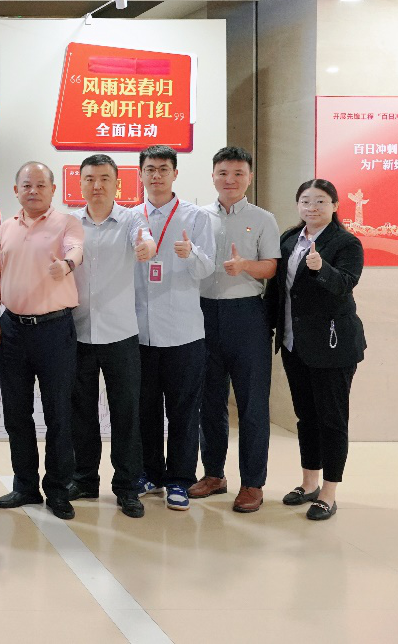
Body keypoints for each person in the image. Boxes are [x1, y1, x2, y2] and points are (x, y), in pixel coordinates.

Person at [0, 162, 84, 520]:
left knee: (59, 413)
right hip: (12, 329)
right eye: (27, 185)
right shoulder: (5, 229)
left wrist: (66, 265)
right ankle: (25, 485)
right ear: (16, 190)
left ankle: (58, 489)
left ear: (53, 189)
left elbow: (76, 250)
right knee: (16, 413)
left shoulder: (67, 224)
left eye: (41, 185)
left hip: (54, 330)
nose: (33, 191)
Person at [267, 179, 366, 522]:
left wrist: (321, 268)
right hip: (294, 343)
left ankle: (328, 493)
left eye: (321, 201)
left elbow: (345, 284)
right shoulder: (289, 239)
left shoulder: (346, 242)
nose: (312, 207)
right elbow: (278, 291)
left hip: (332, 346)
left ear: (335, 205)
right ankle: (308, 483)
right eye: (306, 201)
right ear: (298, 205)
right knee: (306, 417)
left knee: (332, 420)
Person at [191, 147, 281, 513]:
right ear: (213, 176)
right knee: (209, 402)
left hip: (247, 316)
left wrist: (245, 265)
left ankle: (252, 483)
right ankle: (214, 474)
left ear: (249, 178)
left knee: (252, 404)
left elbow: (271, 267)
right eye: (223, 173)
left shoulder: (263, 219)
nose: (230, 180)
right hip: (202, 314)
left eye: (238, 173)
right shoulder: (197, 217)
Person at [68, 155, 155, 519]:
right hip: (77, 332)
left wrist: (146, 248)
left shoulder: (132, 219)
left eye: (105, 178)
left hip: (120, 334)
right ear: (80, 183)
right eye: (90, 178)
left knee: (126, 414)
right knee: (81, 414)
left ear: (117, 184)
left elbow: (145, 240)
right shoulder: (70, 223)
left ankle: (127, 487)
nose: (97, 185)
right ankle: (85, 479)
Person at [132, 145, 216, 512]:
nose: (156, 175)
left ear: (175, 174)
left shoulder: (195, 217)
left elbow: (207, 269)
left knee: (183, 411)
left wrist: (191, 253)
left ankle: (180, 479)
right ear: (141, 174)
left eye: (163, 169)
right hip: (139, 332)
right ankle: (150, 474)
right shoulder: (131, 217)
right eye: (150, 169)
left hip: (183, 333)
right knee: (145, 410)